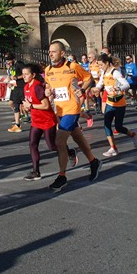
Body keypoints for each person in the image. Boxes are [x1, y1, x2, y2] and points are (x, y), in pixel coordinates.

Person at [44, 41, 102, 192]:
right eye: (49, 51)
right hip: (60, 110)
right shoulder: (48, 70)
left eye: (54, 51)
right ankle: (94, 161)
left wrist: (82, 89)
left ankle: (62, 176)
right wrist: (48, 92)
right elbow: (49, 87)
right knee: (77, 138)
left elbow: (89, 78)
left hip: (72, 108)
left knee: (59, 140)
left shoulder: (72, 67)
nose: (50, 54)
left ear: (62, 53)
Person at [94, 53, 137, 157]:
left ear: (106, 63)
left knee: (118, 127)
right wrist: (96, 88)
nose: (100, 67)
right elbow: (100, 84)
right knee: (107, 125)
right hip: (110, 103)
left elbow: (126, 84)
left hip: (119, 103)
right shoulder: (103, 73)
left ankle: (133, 135)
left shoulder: (115, 73)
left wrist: (118, 88)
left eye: (101, 65)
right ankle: (113, 148)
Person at [21, 63, 58, 181]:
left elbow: (46, 105)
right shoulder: (26, 87)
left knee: (52, 146)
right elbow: (31, 104)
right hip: (36, 121)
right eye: (23, 74)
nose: (24, 76)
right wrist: (27, 107)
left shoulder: (37, 86)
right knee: (32, 144)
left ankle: (68, 151)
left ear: (33, 75)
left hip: (47, 120)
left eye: (27, 74)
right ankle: (36, 171)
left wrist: (31, 105)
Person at [5, 52, 27, 132]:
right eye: (7, 61)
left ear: (13, 59)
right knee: (14, 104)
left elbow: (25, 74)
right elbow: (11, 76)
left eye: (9, 61)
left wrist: (16, 77)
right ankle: (17, 124)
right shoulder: (11, 66)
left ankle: (39, 117)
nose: (8, 62)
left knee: (26, 105)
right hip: (15, 87)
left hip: (21, 87)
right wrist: (10, 82)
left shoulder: (19, 64)